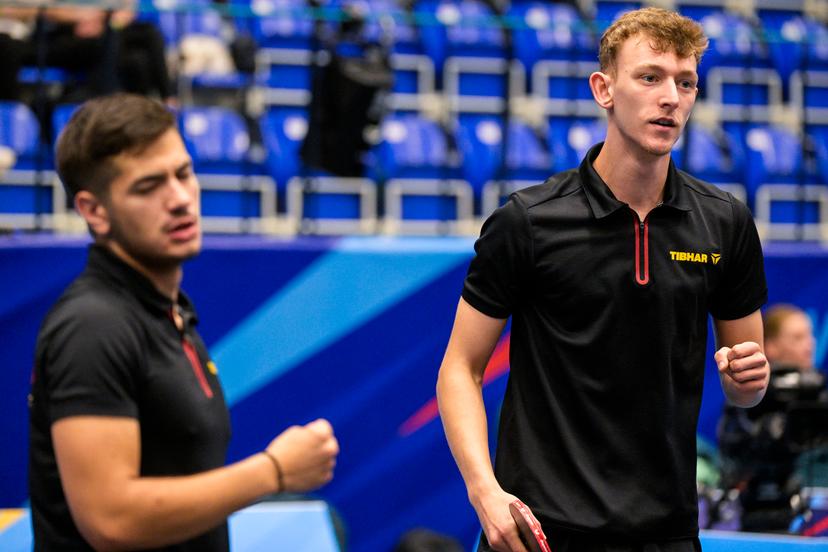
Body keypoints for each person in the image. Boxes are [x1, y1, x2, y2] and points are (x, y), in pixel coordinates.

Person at [436, 7, 769, 552]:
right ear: (604, 88)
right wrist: (484, 491)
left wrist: (750, 381)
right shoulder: (529, 220)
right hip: (542, 532)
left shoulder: (725, 222)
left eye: (686, 83)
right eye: (650, 76)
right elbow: (459, 369)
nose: (671, 98)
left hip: (667, 532)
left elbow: (746, 384)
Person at [28, 93, 339, 551]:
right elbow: (110, 519)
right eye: (147, 186)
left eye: (183, 174)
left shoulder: (166, 309)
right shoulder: (92, 326)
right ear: (94, 211)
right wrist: (272, 472)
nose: (178, 199)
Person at [717, 304, 826, 531]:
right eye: (797, 337)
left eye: (809, 335)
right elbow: (732, 449)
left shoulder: (820, 394)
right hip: (753, 509)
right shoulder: (747, 398)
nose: (809, 344)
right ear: (771, 346)